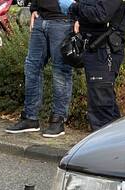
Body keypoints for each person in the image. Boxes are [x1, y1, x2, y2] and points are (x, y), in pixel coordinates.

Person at [5, 0, 74, 138]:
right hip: (40, 19)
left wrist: (78, 17)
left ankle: (58, 120)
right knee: (32, 68)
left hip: (63, 21)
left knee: (60, 71)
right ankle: (30, 118)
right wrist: (34, 8)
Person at [68, 0, 125, 131]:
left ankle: (104, 146)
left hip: (103, 49)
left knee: (101, 108)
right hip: (97, 47)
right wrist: (78, 14)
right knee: (104, 104)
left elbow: (101, 14)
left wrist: (76, 7)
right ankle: (113, 144)